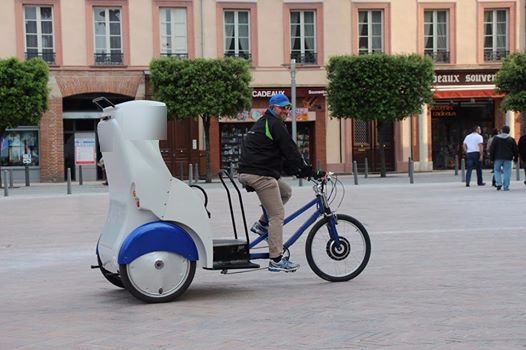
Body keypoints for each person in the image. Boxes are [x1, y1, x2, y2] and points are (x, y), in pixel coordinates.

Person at [238, 93, 318, 273]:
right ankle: (276, 259)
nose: (286, 111)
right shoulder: (274, 124)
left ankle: (261, 225)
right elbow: (291, 152)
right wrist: (310, 172)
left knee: (286, 191)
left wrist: (302, 172)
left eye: (288, 107)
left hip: (253, 171)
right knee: (277, 214)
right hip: (258, 174)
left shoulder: (266, 123)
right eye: (282, 107)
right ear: (273, 107)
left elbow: (282, 158)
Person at [490, 125, 519, 191]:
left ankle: (498, 183)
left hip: (497, 157)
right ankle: (506, 186)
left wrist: (491, 158)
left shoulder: (496, 138)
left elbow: (492, 149)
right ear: (509, 131)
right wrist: (516, 158)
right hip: (508, 158)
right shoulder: (511, 139)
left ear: (502, 130)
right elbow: (515, 149)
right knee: (507, 172)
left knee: (497, 170)